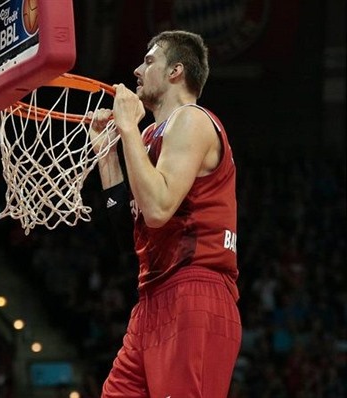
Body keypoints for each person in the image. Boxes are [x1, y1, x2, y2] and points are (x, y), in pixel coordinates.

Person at [89, 30, 242, 397]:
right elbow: (133, 232)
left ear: (175, 71)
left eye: (149, 60)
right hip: (152, 299)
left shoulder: (192, 120)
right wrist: (107, 154)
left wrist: (126, 126)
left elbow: (157, 209)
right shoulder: (147, 138)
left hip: (195, 290)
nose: (138, 70)